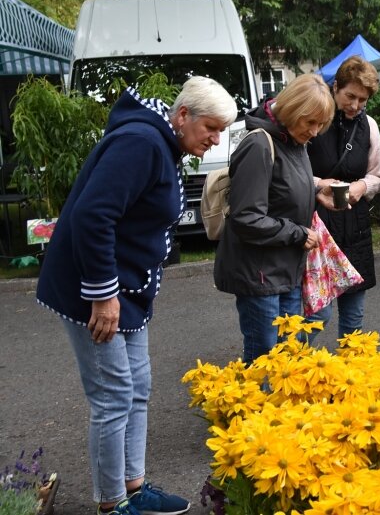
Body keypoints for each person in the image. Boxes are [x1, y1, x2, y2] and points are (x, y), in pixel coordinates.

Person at [36, 76, 237, 515]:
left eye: (222, 130)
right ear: (183, 116)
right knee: (112, 395)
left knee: (137, 387)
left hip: (128, 293)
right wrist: (102, 294)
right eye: (211, 128)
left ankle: (134, 485)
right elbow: (94, 215)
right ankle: (112, 504)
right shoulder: (142, 143)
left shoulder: (161, 143)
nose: (216, 139)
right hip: (96, 291)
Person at [214, 74, 334, 363]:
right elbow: (246, 218)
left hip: (285, 272)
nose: (316, 132)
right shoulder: (258, 145)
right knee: (264, 364)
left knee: (287, 362)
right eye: (310, 122)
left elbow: (282, 191)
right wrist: (298, 233)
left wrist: (318, 190)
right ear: (292, 110)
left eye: (321, 124)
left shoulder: (295, 143)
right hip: (259, 276)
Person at [306, 56, 380, 338]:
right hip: (317, 227)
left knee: (354, 318)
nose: (355, 105)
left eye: (362, 100)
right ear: (335, 86)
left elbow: (378, 175)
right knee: (316, 314)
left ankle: (350, 376)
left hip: (355, 227)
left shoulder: (370, 126)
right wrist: (318, 184)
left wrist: (362, 187)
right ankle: (298, 374)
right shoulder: (312, 118)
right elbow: (290, 170)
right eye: (350, 96)